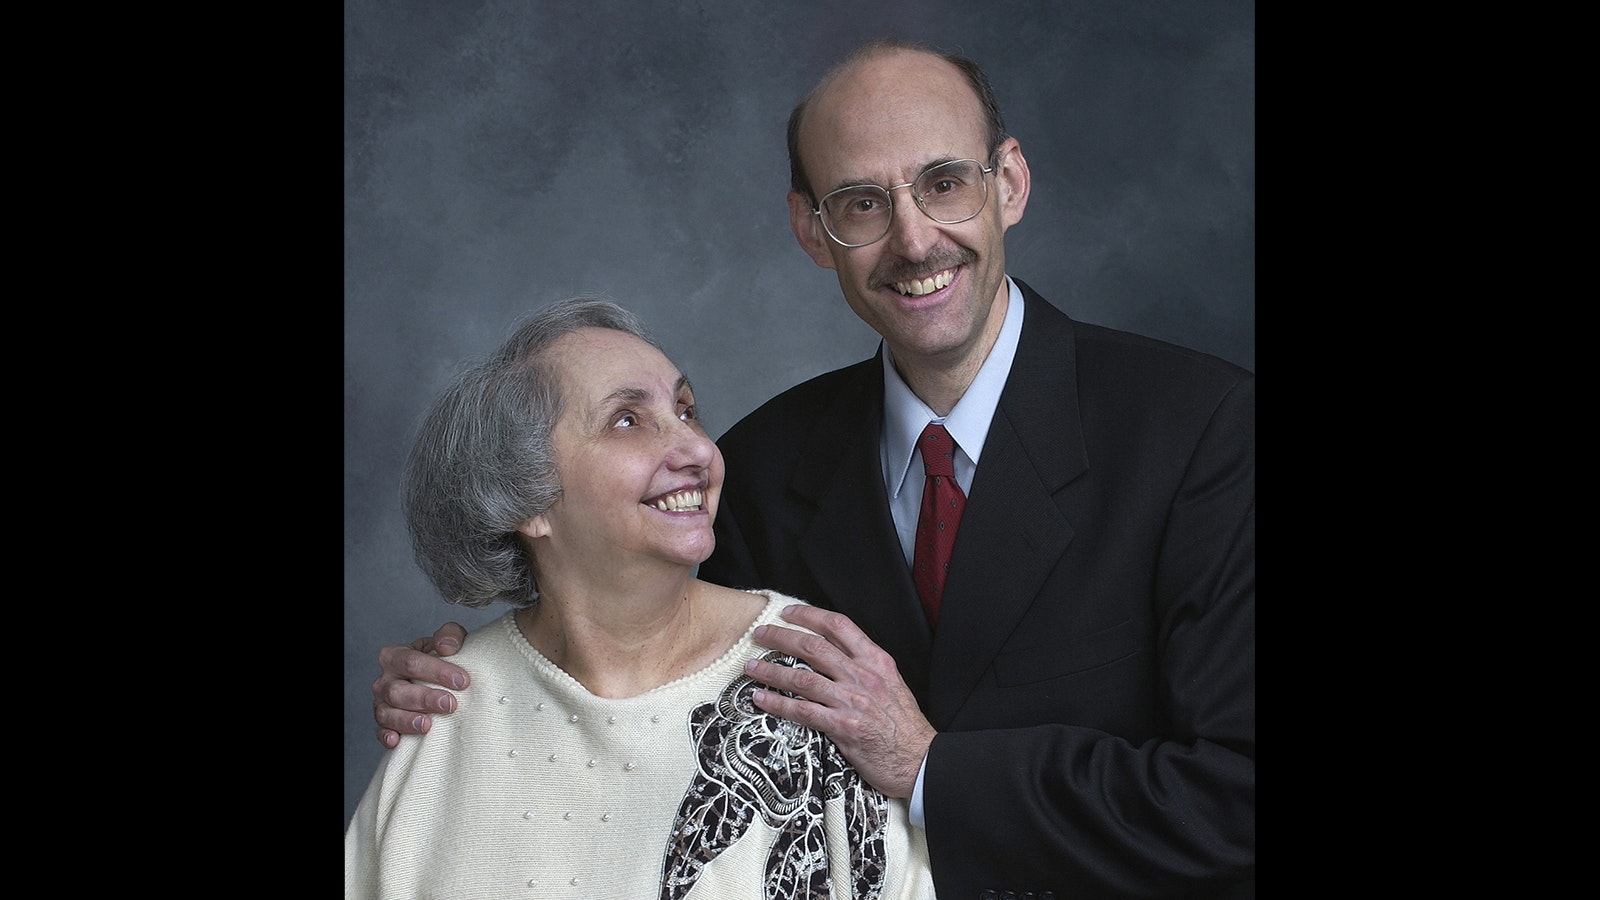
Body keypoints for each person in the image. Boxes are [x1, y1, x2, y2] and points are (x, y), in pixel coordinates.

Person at [368, 39, 1255, 899]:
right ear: (812, 229)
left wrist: (929, 767)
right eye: (863, 204)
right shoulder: (754, 468)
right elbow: (634, 657)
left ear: (1009, 183)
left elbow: (1239, 801)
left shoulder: (1204, 431)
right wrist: (479, 682)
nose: (914, 241)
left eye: (944, 185)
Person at [345, 296, 936, 898]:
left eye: (686, 411)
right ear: (526, 499)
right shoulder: (443, 707)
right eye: (627, 420)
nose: (699, 450)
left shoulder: (810, 677)